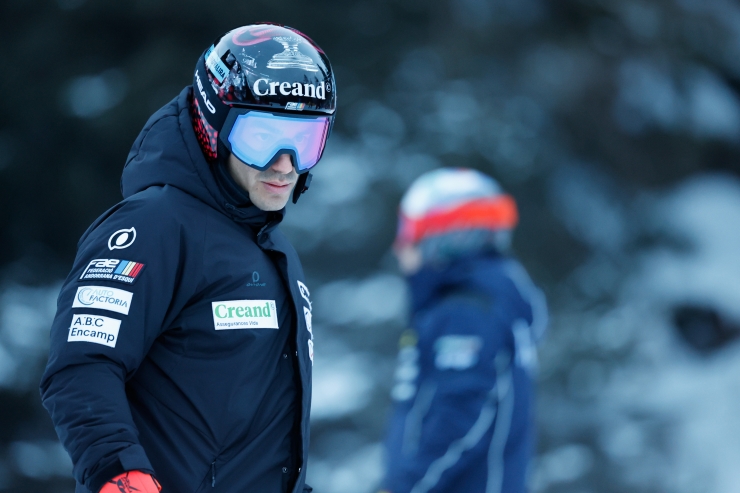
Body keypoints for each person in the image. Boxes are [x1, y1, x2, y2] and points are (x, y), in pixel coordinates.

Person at [39, 23, 336, 493]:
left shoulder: (274, 250)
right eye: (262, 138)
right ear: (215, 127)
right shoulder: (154, 227)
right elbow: (82, 365)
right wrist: (119, 473)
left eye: (305, 140)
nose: (285, 165)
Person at [378, 168, 548, 493]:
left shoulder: (466, 312)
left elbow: (458, 414)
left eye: (408, 231)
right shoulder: (468, 303)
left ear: (447, 235)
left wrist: (405, 485)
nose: (399, 246)